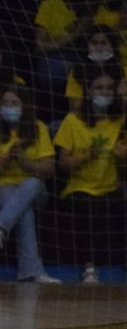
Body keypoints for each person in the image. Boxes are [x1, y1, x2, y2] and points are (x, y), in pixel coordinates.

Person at [53, 70, 126, 285]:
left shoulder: (120, 121)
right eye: (99, 88)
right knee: (89, 209)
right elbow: (63, 164)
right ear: (89, 91)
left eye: (109, 89)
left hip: (111, 187)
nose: (105, 92)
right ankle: (90, 269)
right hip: (79, 187)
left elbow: (123, 168)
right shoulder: (72, 120)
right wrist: (86, 156)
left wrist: (122, 158)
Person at [0, 85, 58, 283]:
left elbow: (50, 169)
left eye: (14, 103)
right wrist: (7, 159)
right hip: (0, 188)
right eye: (5, 103)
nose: (9, 107)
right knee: (24, 210)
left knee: (31, 183)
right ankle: (32, 272)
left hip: (35, 189)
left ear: (25, 107)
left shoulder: (39, 128)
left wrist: (25, 162)